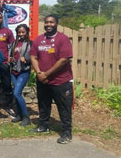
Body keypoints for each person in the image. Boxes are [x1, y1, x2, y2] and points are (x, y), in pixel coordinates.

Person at [30, 15, 74, 144]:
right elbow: (33, 56)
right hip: (43, 80)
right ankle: (43, 126)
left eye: (51, 22)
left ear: (56, 24)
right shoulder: (39, 40)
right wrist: (39, 73)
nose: (48, 24)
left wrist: (46, 74)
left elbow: (64, 60)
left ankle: (66, 133)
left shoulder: (63, 39)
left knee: (64, 107)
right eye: (46, 22)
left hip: (61, 81)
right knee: (43, 105)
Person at [8, 24, 32, 126]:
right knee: (17, 93)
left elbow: (35, 57)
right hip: (14, 71)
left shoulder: (30, 44)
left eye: (23, 32)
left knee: (17, 93)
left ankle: (26, 117)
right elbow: (10, 55)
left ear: (27, 32)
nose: (21, 34)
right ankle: (19, 115)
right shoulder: (14, 43)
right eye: (19, 32)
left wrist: (26, 59)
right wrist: (10, 59)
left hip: (24, 71)